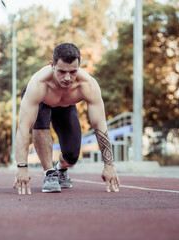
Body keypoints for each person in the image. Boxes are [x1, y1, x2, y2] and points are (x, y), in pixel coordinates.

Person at [12, 43, 120, 195]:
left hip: (66, 106)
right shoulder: (38, 84)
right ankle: (49, 173)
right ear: (53, 65)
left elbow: (99, 125)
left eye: (73, 72)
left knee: (72, 156)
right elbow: (23, 128)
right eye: (62, 71)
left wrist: (109, 165)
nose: (68, 78)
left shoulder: (88, 85)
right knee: (41, 123)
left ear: (79, 67)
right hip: (43, 101)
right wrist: (22, 167)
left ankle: (60, 169)